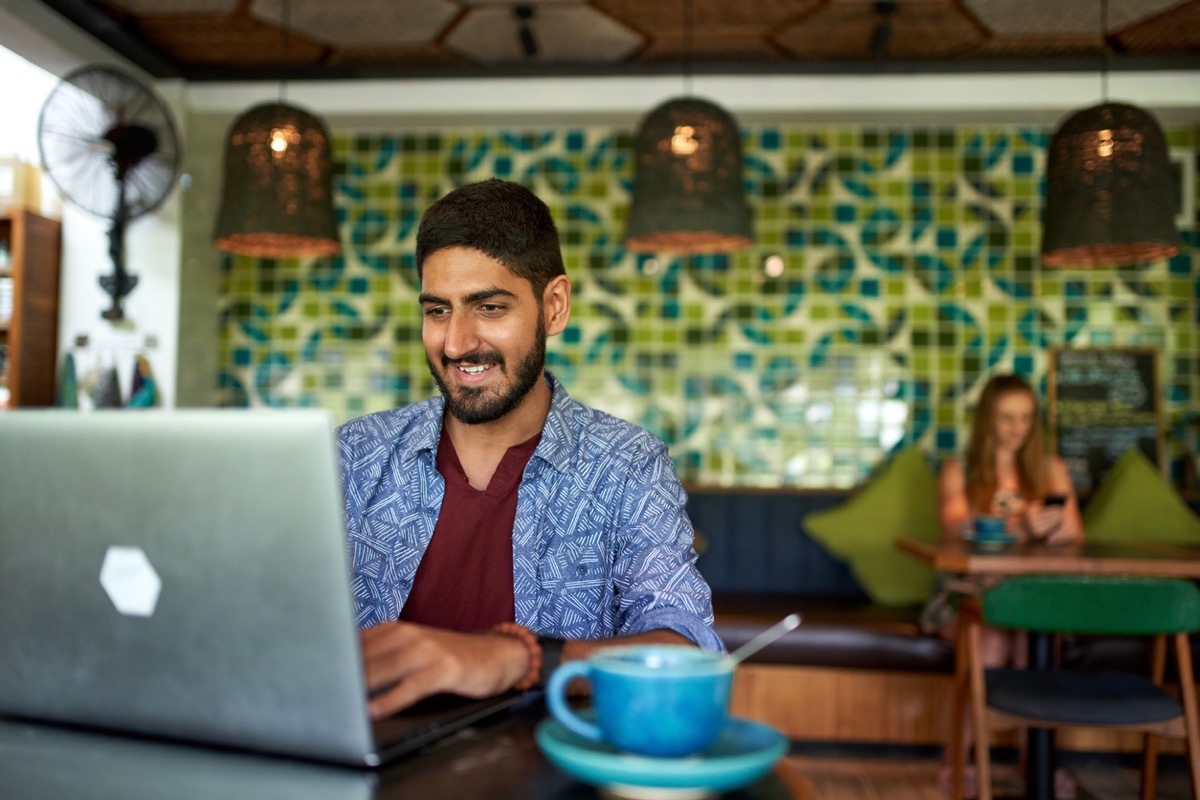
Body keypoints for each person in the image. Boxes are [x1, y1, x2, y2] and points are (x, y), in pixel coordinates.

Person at [336, 179, 721, 720]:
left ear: (554, 307)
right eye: (437, 311)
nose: (456, 343)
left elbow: (690, 651)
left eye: (489, 307)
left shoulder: (627, 465)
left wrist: (519, 658)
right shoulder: (354, 457)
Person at [924, 373, 1084, 798]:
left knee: (1031, 643)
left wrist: (1049, 529)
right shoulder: (961, 470)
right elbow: (956, 527)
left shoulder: (1051, 469)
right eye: (1007, 417)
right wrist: (1021, 526)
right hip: (965, 595)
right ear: (987, 420)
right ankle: (959, 761)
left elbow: (1074, 534)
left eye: (1026, 418)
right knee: (992, 641)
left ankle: (1036, 763)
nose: (1017, 427)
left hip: (1033, 598)